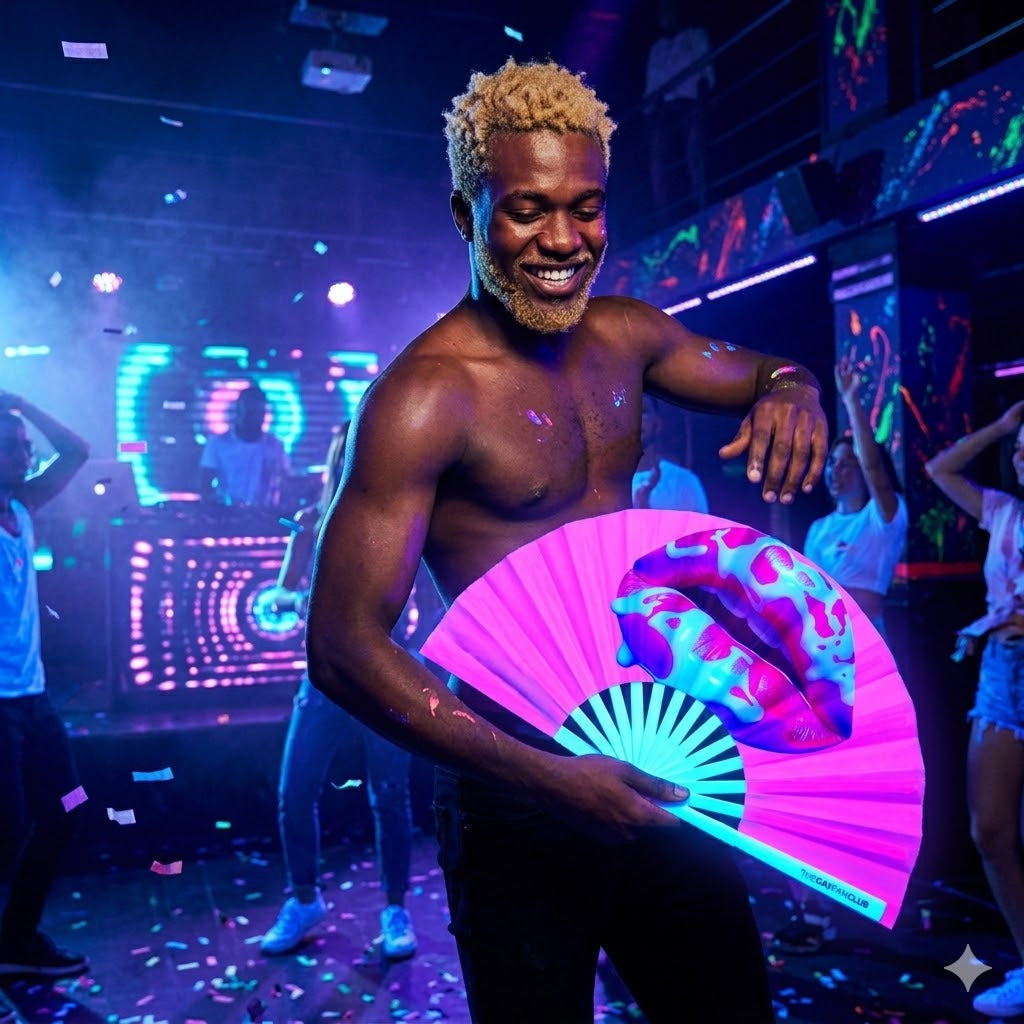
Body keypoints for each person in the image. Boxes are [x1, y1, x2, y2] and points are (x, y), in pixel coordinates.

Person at [306, 58, 828, 1023]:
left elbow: (770, 369)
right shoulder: (427, 397)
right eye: (526, 210)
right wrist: (550, 779)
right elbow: (341, 646)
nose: (562, 240)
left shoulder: (628, 337)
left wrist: (795, 388)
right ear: (468, 217)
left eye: (585, 209)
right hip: (518, 789)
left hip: (668, 756)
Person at [261, 426, 439, 960]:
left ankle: (395, 909)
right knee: (294, 793)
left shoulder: (400, 519)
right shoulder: (312, 523)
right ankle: (305, 898)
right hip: (323, 678)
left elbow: (430, 602)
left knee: (389, 795)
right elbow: (279, 594)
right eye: (345, 451)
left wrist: (418, 658)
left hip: (385, 674)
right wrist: (298, 603)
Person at [772, 359, 908, 954]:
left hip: (867, 667)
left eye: (844, 458)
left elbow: (878, 469)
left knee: (856, 789)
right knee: (810, 785)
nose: (836, 467)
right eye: (830, 461)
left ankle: (861, 898)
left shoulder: (885, 519)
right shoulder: (821, 529)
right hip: (815, 670)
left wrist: (851, 403)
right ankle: (814, 912)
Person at [925, 399, 1024, 1019]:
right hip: (1001, 671)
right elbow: (941, 470)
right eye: (1020, 451)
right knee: (990, 830)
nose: (1021, 458)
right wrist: (999, 427)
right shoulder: (1006, 512)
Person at [0, 392, 90, 1003]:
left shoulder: (23, 506)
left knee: (68, 806)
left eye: (29, 449)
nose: (29, 456)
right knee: (4, 833)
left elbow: (77, 450)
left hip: (35, 702)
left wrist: (22, 404)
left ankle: (17, 941)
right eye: (15, 448)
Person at [643, 0, 714, 211]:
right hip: (664, 110)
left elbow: (707, 72)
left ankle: (703, 203)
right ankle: (664, 215)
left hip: (690, 103)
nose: (664, 16)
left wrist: (702, 102)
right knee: (657, 163)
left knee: (694, 152)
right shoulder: (657, 49)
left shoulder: (696, 35)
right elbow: (651, 88)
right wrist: (649, 114)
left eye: (668, 10)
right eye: (661, 13)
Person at [199, 384, 289, 509]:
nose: (256, 418)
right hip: (227, 517)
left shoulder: (275, 446)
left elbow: (285, 484)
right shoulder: (217, 444)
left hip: (264, 519)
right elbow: (205, 487)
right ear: (238, 412)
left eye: (261, 412)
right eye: (251, 412)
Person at [632, 394, 709, 512]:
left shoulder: (684, 481)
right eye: (630, 413)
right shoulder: (603, 484)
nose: (635, 419)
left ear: (657, 424)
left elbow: (704, 530)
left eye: (643, 411)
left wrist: (644, 506)